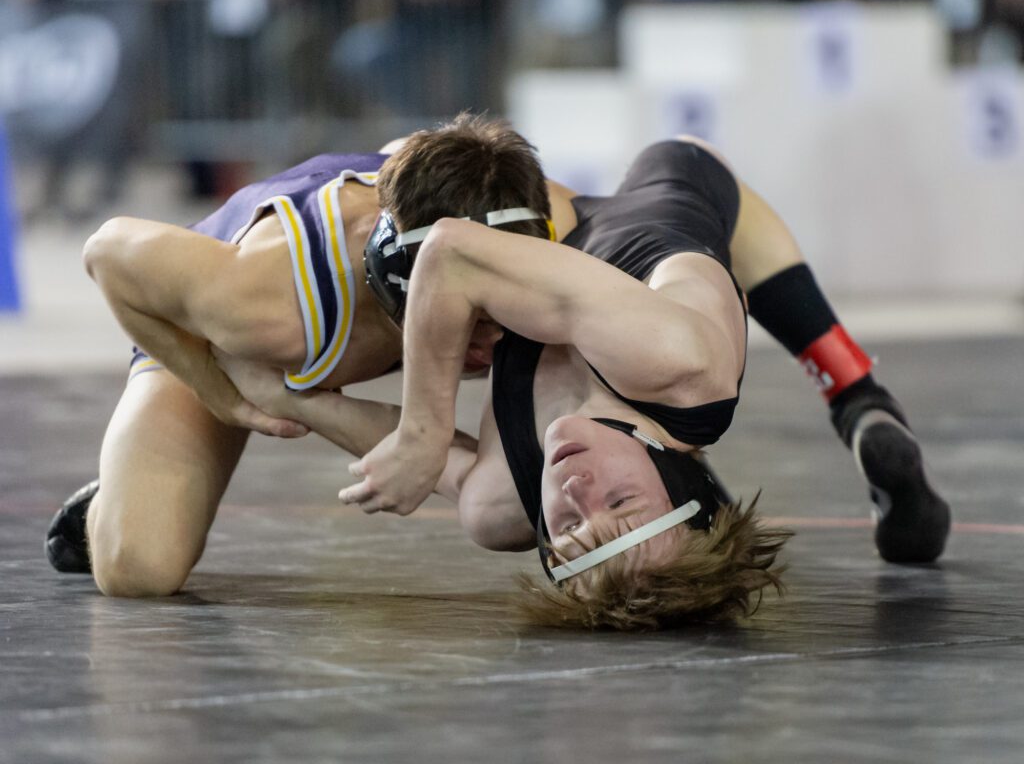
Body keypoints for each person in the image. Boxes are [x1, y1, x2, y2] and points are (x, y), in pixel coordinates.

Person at [338, 134, 951, 629]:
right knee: (692, 167)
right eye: (620, 503)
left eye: (571, 528)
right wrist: (425, 431)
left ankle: (860, 401)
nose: (576, 489)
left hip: (536, 263)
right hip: (644, 202)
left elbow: (397, 469)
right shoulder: (676, 363)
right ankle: (855, 395)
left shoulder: (497, 504)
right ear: (677, 471)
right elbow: (450, 252)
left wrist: (287, 401)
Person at [46, 116, 554, 597]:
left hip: (400, 209)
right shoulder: (268, 304)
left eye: (502, 310)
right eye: (468, 321)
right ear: (392, 280)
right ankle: (111, 501)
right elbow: (106, 251)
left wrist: (297, 401)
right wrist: (215, 389)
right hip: (214, 343)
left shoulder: (549, 228)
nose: (491, 345)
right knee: (139, 569)